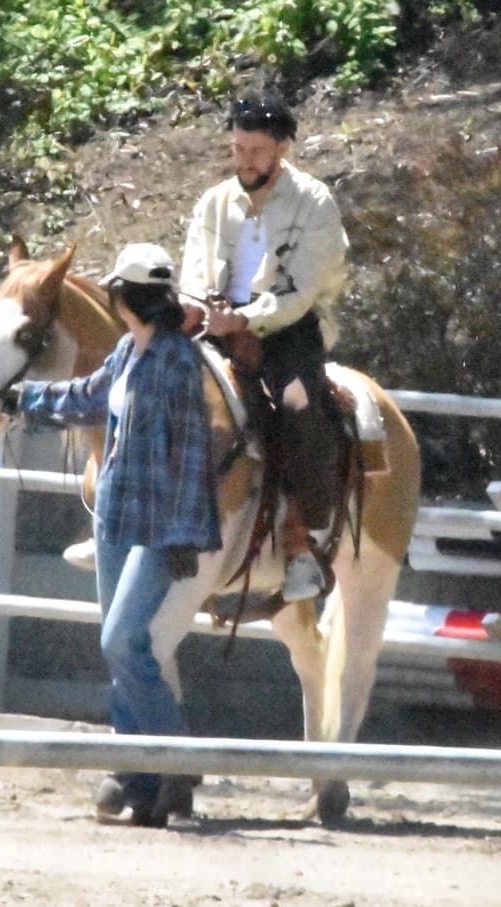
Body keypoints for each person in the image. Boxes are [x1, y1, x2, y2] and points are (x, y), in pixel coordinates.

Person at [4, 242, 220, 827]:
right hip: (116, 517)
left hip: (157, 526)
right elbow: (91, 396)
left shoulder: (177, 361)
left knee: (121, 641)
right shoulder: (128, 350)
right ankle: (141, 781)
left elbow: (190, 452)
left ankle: (178, 761)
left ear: (122, 297)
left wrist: (182, 533)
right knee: (124, 651)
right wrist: (26, 399)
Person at [181, 92, 349, 602]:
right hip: (216, 322)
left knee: (298, 405)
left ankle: (303, 542)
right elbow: (194, 271)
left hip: (289, 327)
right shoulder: (214, 202)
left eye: (255, 150)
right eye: (238, 148)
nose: (245, 160)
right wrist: (202, 308)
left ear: (282, 148)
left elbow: (303, 290)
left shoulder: (314, 201)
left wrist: (246, 319)